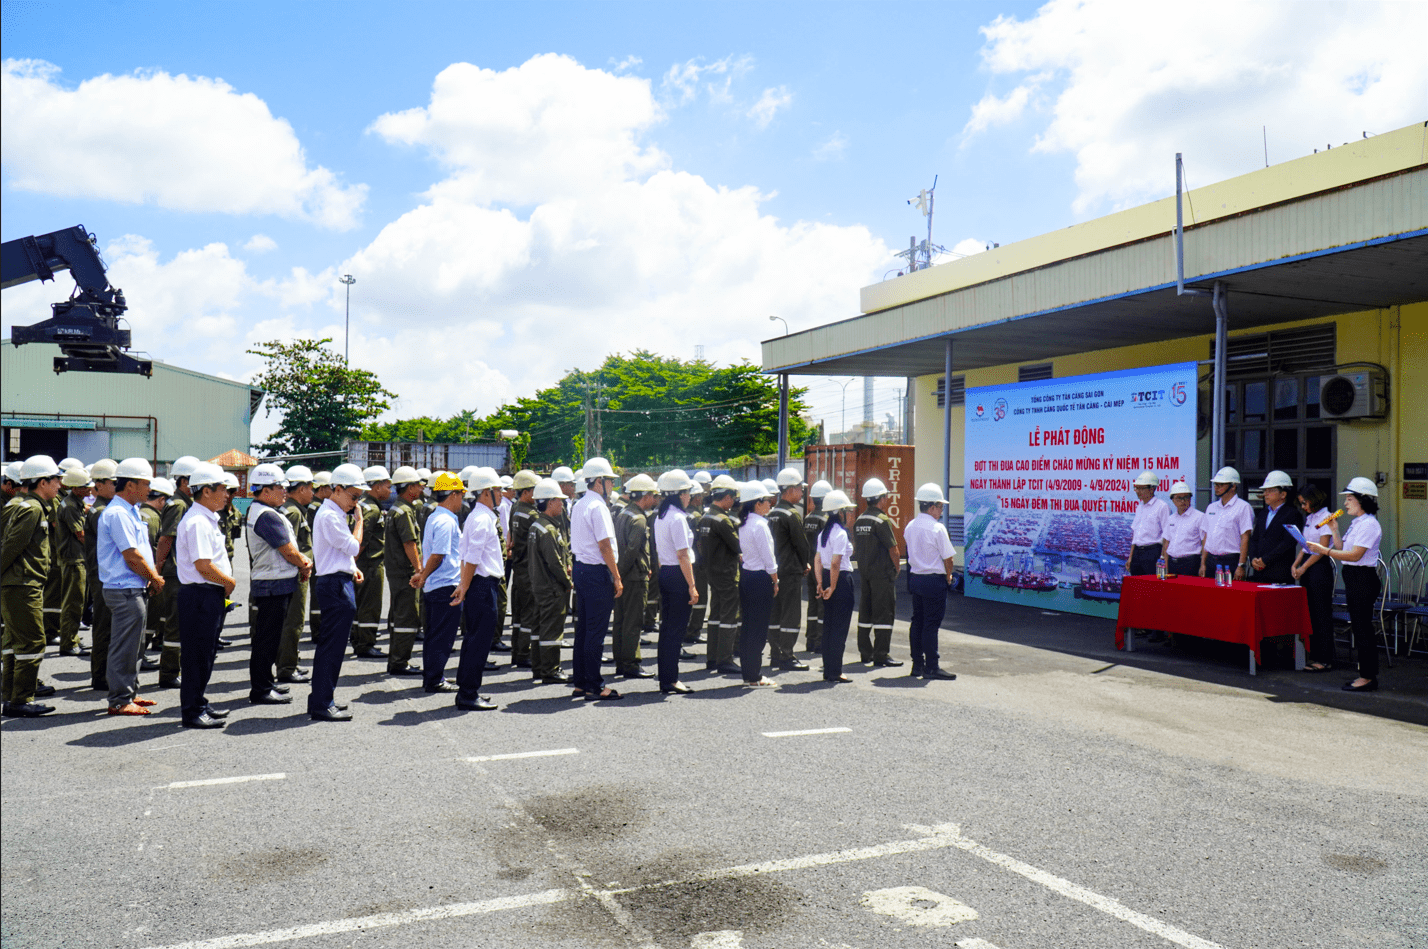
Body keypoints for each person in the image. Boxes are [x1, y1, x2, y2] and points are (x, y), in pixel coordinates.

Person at [96, 458, 164, 716]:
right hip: (124, 589)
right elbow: (132, 556)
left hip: (133, 587)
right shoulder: (117, 513)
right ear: (131, 485)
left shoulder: (130, 510)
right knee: (124, 646)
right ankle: (120, 700)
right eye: (146, 483)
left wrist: (150, 577)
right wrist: (155, 577)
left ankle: (128, 692)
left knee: (134, 645)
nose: (149, 489)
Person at [1307, 477, 1383, 692]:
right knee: (1359, 628)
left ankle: (1368, 677)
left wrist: (1324, 551)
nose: (1346, 503)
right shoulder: (1358, 522)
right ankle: (1365, 674)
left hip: (1363, 579)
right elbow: (1342, 549)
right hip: (1353, 577)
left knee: (1363, 629)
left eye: (1350, 499)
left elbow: (1355, 555)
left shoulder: (1369, 524)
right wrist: (1334, 529)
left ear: (1363, 500)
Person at [174, 464, 235, 729]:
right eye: (222, 489)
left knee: (206, 653)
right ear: (207, 491)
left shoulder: (206, 517)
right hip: (200, 593)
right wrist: (228, 582)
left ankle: (199, 702)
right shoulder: (198, 521)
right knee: (197, 655)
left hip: (208, 593)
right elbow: (203, 565)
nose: (227, 495)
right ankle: (192, 710)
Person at [245, 464, 312, 706]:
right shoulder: (266, 515)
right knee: (267, 639)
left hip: (275, 581)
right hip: (272, 583)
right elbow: (287, 550)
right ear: (264, 490)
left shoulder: (264, 511)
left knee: (269, 638)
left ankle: (266, 683)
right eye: (279, 487)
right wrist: (304, 564)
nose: (284, 491)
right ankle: (261, 688)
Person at [1, 455, 63, 717]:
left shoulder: (32, 506)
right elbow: (12, 546)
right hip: (22, 583)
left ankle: (12, 695)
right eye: (56, 479)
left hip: (22, 582)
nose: (59, 484)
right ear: (42, 481)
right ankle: (21, 699)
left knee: (15, 641)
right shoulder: (32, 509)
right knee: (32, 642)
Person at [309, 463, 367, 721]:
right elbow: (353, 546)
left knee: (333, 646)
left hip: (336, 579)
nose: (356, 503)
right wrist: (360, 522)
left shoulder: (332, 513)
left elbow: (341, 552)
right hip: (334, 584)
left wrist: (351, 568)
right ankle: (322, 702)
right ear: (338, 489)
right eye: (354, 497)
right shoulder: (331, 515)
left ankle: (324, 699)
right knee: (331, 647)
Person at [569, 457, 623, 701]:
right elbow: (605, 545)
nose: (611, 485)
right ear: (599, 481)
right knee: (596, 631)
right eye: (610, 480)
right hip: (595, 571)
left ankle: (581, 681)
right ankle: (594, 684)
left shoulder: (580, 504)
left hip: (581, 568)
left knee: (584, 629)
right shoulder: (598, 506)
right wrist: (617, 576)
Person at [449, 468, 503, 711]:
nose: (501, 494)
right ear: (485, 493)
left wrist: (464, 584)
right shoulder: (482, 519)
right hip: (481, 584)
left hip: (478, 584)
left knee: (474, 639)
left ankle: (468, 689)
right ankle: (468, 693)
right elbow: (472, 556)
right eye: (497, 490)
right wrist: (465, 585)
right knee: (479, 640)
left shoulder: (477, 516)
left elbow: (466, 554)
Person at [413, 472, 465, 694]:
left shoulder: (437, 517)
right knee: (442, 636)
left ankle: (432, 676)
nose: (462, 500)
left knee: (435, 634)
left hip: (438, 584)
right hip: (445, 584)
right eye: (461, 494)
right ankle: (435, 678)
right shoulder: (445, 520)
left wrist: (424, 575)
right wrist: (423, 575)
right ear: (453, 494)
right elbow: (438, 555)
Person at [153, 455, 199, 688]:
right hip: (174, 573)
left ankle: (173, 670)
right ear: (183, 482)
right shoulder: (179, 505)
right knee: (175, 624)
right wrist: (158, 569)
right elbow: (166, 539)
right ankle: (169, 673)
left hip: (179, 572)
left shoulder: (182, 503)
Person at [903, 484, 957, 680]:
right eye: (940, 507)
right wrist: (948, 576)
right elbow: (948, 558)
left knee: (917, 621)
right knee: (931, 625)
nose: (941, 511)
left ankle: (917, 664)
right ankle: (932, 666)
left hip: (916, 578)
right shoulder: (937, 528)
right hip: (934, 580)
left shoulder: (910, 526)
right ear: (932, 507)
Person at [654, 470, 698, 694]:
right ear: (679, 494)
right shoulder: (678, 518)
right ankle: (670, 679)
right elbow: (683, 555)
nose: (690, 496)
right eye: (688, 492)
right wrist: (691, 585)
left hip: (666, 572)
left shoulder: (661, 516)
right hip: (678, 574)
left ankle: (666, 677)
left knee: (667, 628)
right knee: (676, 629)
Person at [612, 474, 658, 679]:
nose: (654, 499)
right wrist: (620, 575)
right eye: (652, 495)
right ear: (645, 496)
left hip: (624, 576)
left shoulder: (623, 513)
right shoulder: (639, 519)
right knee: (633, 622)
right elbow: (632, 551)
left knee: (621, 621)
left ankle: (621, 662)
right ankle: (631, 663)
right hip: (634, 577)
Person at [854, 477, 902, 667]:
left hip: (864, 573)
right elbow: (894, 550)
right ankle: (881, 654)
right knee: (884, 613)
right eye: (885, 497)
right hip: (881, 575)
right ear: (880, 498)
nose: (887, 500)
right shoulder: (881, 520)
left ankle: (866, 653)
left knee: (865, 612)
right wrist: (897, 569)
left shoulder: (859, 520)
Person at [527, 478, 572, 683]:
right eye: (559, 501)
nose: (561, 504)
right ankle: (550, 670)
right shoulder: (548, 529)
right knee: (552, 630)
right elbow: (555, 563)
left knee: (539, 628)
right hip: (552, 587)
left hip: (539, 585)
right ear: (550, 502)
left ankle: (539, 667)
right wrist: (567, 582)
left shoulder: (538, 526)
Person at [766, 467, 811, 672]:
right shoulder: (792, 514)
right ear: (791, 489)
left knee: (775, 614)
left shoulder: (771, 513)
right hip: (790, 571)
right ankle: (787, 655)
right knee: (790, 614)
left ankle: (775, 654)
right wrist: (805, 565)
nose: (802, 493)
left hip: (773, 571)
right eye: (800, 488)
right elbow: (802, 545)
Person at [383, 466, 425, 677]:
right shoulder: (405, 511)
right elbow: (410, 543)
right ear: (410, 488)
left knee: (401, 615)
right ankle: (400, 662)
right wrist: (419, 570)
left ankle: (397, 660)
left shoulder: (396, 508)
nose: (420, 488)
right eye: (417, 484)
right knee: (407, 618)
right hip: (405, 572)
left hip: (396, 571)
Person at [699, 475, 743, 675]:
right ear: (726, 496)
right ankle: (725, 659)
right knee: (729, 616)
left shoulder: (705, 517)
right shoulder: (723, 520)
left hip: (712, 572)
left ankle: (712, 658)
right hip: (726, 573)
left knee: (715, 615)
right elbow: (738, 547)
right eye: (733, 497)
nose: (734, 501)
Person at [736, 481, 779, 688]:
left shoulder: (744, 523)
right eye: (767, 500)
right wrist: (775, 579)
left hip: (746, 576)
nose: (770, 503)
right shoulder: (761, 524)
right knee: (758, 629)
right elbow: (768, 557)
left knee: (748, 627)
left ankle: (749, 672)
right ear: (758, 503)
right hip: (761, 577)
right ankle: (754, 676)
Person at [276, 466, 315, 685]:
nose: (313, 492)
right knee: (293, 621)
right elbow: (287, 545)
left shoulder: (295, 509)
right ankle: (286, 667)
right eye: (311, 488)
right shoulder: (292, 511)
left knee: (293, 620)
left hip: (297, 570)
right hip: (295, 572)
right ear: (301, 488)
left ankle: (289, 662)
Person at [1292, 484, 1336, 673]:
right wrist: (1296, 564)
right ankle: (1314, 654)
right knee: (1310, 613)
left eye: (1305, 503)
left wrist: (1303, 567)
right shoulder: (1310, 518)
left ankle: (1325, 658)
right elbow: (1305, 545)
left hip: (1319, 568)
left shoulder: (1326, 517)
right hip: (1308, 567)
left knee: (1321, 614)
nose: (1303, 507)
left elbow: (1321, 550)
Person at [83, 459, 119, 690]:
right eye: (114, 482)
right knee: (104, 626)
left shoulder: (106, 508)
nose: (118, 486)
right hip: (101, 575)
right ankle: (100, 676)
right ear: (100, 484)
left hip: (103, 574)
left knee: (109, 625)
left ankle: (104, 673)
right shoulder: (101, 511)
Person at [816, 490, 857, 684]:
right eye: (847, 511)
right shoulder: (840, 533)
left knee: (829, 626)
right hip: (839, 579)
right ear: (840, 513)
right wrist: (832, 586)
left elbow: (817, 560)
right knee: (839, 628)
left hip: (827, 577)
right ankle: (835, 671)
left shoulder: (823, 533)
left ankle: (829, 670)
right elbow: (836, 562)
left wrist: (820, 583)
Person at [351, 465, 391, 659]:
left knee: (360, 604)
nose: (390, 490)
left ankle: (357, 640)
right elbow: (362, 539)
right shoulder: (372, 509)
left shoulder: (363, 504)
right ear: (376, 486)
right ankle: (366, 644)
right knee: (370, 606)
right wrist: (354, 563)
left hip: (363, 563)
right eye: (387, 485)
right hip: (370, 564)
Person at [56, 467, 94, 657]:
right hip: (73, 559)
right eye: (86, 486)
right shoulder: (70, 506)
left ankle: (72, 639)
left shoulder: (75, 502)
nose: (89, 490)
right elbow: (81, 535)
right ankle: (68, 642)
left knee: (78, 601)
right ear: (76, 488)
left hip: (77, 558)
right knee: (74, 602)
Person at [505, 470, 540, 670]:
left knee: (518, 613)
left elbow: (510, 533)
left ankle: (516, 651)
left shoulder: (515, 507)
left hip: (518, 565)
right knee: (528, 613)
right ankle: (523, 653)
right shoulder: (533, 515)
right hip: (528, 567)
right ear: (526, 491)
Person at [1248, 470, 1304, 583]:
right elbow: (1254, 539)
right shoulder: (1263, 513)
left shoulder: (1293, 514)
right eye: (1265, 491)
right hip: (1259, 573)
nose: (1265, 494)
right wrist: (1253, 559)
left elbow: (1288, 543)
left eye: (1270, 491)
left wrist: (1265, 560)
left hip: (1280, 574)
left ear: (1283, 494)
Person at [1200, 466, 1253, 581]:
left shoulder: (1243, 507)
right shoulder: (1211, 507)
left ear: (1233, 486)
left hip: (1231, 561)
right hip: (1211, 561)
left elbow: (1245, 537)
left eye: (1221, 485)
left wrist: (1241, 565)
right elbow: (1206, 536)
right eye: (1216, 484)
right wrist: (1203, 563)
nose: (1217, 488)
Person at [802, 480, 831, 655]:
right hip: (822, 566)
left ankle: (810, 641)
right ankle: (820, 642)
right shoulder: (825, 519)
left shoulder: (808, 518)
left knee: (812, 604)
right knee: (822, 605)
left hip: (810, 565)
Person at [1125, 471, 1168, 581]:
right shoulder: (1140, 507)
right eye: (1136, 488)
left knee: (1152, 587)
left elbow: (1167, 535)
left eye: (1141, 488)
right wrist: (1131, 557)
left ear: (1152, 489)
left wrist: (1163, 559)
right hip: (1137, 553)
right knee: (1137, 586)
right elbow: (1136, 535)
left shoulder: (1162, 507)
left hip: (1153, 553)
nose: (1138, 491)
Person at [682, 479, 709, 649]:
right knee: (701, 598)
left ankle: (686, 629)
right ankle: (693, 631)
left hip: (684, 562)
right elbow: (700, 542)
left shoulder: (680, 513)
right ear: (695, 498)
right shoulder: (697, 517)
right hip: (697, 563)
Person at [1160, 482, 1205, 579]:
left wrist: (1203, 565)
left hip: (1190, 563)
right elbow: (1166, 543)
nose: (1182, 501)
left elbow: (1205, 542)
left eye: (1186, 497)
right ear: (1173, 500)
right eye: (1179, 498)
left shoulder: (1199, 517)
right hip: (1172, 563)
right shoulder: (1171, 519)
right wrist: (1166, 567)